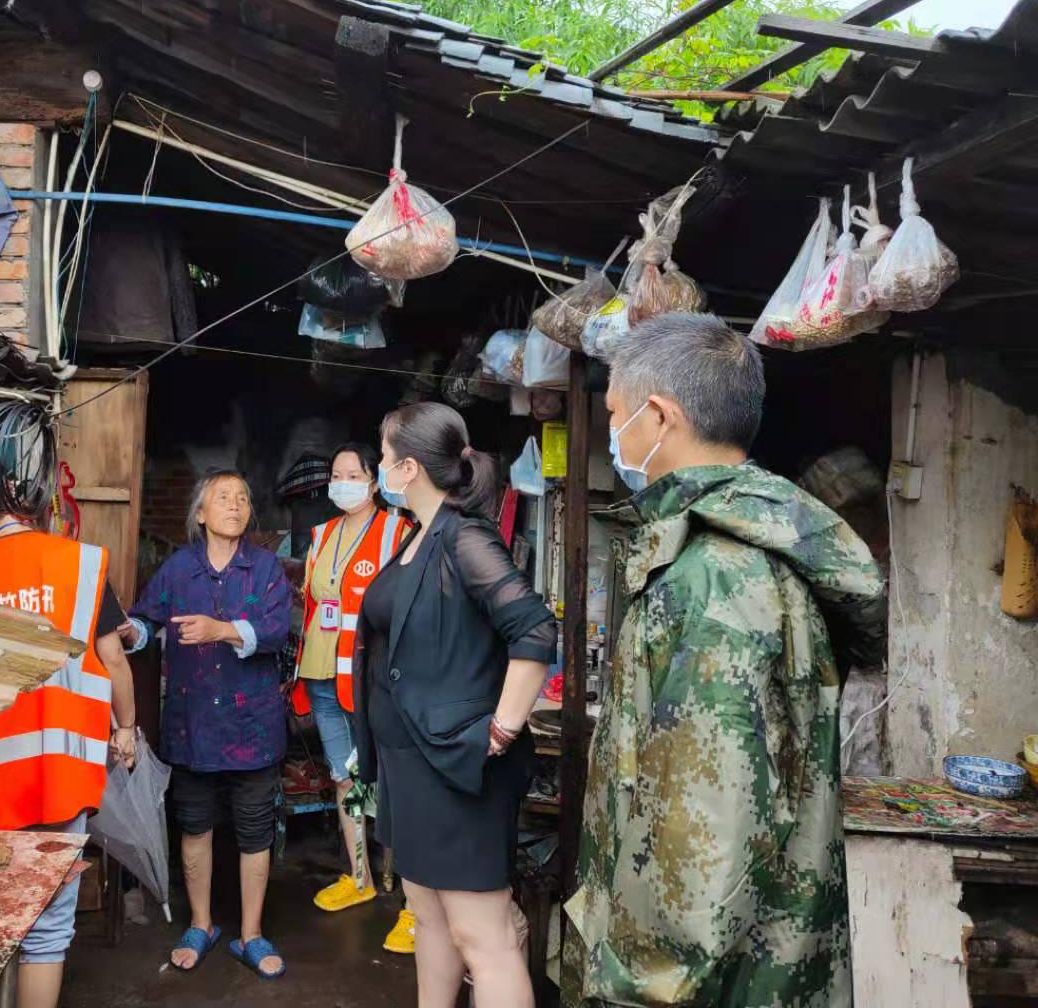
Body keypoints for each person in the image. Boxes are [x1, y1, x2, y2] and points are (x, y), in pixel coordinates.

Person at [561, 313, 886, 1008]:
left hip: (718, 984)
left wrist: (628, 985)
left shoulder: (718, 578)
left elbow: (705, 836)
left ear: (658, 417)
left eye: (615, 414)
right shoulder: (738, 547)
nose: (614, 434)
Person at [353, 402, 557, 1008]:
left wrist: (501, 729)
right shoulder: (422, 535)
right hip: (410, 763)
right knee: (430, 921)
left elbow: (534, 631)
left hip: (456, 767)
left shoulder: (464, 536)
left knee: (482, 934)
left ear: (409, 466)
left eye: (384, 456)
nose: (377, 467)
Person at [0, 462, 139, 1008]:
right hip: (62, 776)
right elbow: (115, 661)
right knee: (48, 930)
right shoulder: (80, 565)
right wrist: (125, 728)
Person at [126, 470, 293, 980]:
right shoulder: (179, 569)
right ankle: (201, 925)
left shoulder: (265, 569)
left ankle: (251, 933)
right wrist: (126, 631)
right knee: (194, 826)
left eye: (243, 497)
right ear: (201, 513)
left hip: (253, 728)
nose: (236, 505)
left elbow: (276, 631)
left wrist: (220, 630)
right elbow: (145, 621)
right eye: (224, 497)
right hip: (193, 723)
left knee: (253, 832)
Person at [291, 443, 414, 951]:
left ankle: (414, 905)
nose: (343, 482)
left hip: (370, 681)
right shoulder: (321, 535)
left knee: (393, 784)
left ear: (372, 478)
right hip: (322, 674)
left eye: (353, 473)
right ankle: (360, 878)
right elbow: (313, 601)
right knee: (345, 777)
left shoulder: (397, 532)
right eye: (336, 474)